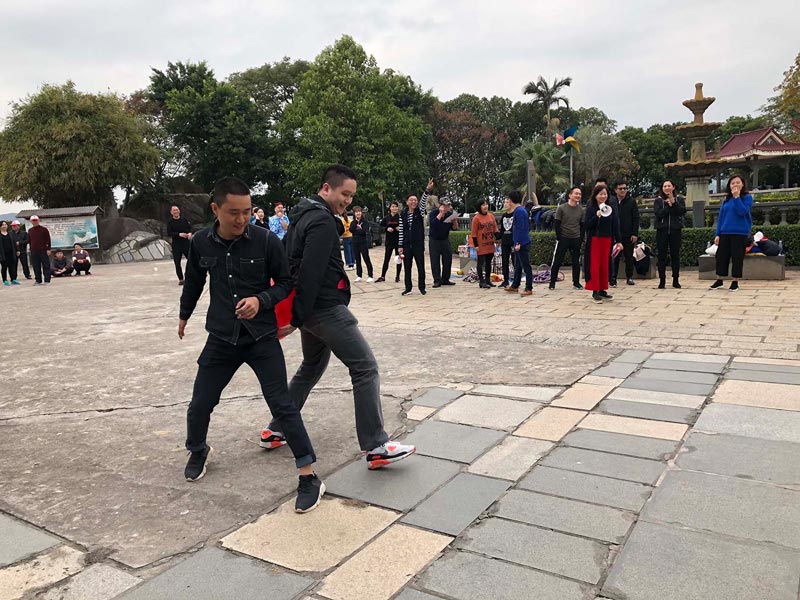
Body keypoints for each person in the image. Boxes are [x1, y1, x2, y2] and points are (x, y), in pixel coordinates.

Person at [178, 176, 324, 513]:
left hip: (261, 338)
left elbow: (285, 282)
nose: (242, 219)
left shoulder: (266, 240)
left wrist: (261, 300)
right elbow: (195, 281)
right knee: (200, 403)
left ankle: (309, 476)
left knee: (283, 405)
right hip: (221, 337)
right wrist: (184, 315)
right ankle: (198, 449)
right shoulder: (200, 242)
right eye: (234, 212)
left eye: (246, 211)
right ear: (216, 209)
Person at [263, 165, 415, 470]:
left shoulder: (301, 216)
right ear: (326, 188)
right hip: (324, 308)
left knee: (311, 366)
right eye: (344, 193)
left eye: (351, 196)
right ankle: (376, 445)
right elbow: (311, 272)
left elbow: (288, 262)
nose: (347, 200)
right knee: (365, 367)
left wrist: (298, 314)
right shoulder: (321, 221)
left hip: (310, 308)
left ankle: (277, 428)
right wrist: (296, 317)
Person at [710, 174, 753, 291]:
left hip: (740, 233)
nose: (735, 185)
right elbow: (721, 217)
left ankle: (735, 282)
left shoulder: (747, 197)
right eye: (733, 183)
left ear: (742, 184)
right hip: (725, 232)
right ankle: (719, 280)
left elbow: (742, 212)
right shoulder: (726, 199)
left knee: (737, 258)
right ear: (729, 185)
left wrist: (737, 197)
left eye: (738, 182)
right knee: (721, 257)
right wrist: (718, 234)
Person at [584, 185, 623, 303]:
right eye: (600, 194)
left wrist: (619, 241)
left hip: (607, 239)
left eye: (605, 194)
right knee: (595, 265)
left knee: (605, 264)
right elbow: (587, 225)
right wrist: (596, 216)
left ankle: (602, 289)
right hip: (595, 239)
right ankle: (595, 290)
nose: (603, 196)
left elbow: (616, 225)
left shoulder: (610, 208)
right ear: (595, 195)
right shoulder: (591, 208)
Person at [399, 179, 434, 296]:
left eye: (415, 200)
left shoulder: (419, 211)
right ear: (407, 202)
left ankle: (422, 287)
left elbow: (423, 201)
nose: (414, 202)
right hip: (406, 244)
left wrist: (427, 189)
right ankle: (408, 288)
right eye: (411, 200)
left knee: (420, 266)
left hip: (418, 244)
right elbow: (401, 231)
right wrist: (400, 245)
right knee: (407, 267)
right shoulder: (403, 214)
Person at [549, 186, 585, 290]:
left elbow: (582, 225)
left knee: (576, 262)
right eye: (576, 193)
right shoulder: (561, 208)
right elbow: (557, 223)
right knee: (557, 261)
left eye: (579, 194)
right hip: (564, 238)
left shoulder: (581, 210)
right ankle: (552, 282)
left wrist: (581, 238)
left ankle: (576, 282)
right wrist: (559, 237)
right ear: (570, 195)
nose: (578, 195)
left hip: (576, 238)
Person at [653, 180, 686, 289]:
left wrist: (673, 203)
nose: (667, 188)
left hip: (675, 230)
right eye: (665, 186)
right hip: (662, 231)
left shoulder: (679, 199)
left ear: (673, 187)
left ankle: (675, 280)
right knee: (661, 256)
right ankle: (662, 280)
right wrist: (668, 206)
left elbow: (681, 211)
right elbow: (658, 214)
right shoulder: (658, 201)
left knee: (675, 255)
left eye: (669, 186)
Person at [504, 191, 533, 296]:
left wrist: (518, 242)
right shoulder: (520, 210)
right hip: (520, 241)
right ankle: (515, 285)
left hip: (522, 243)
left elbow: (521, 228)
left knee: (526, 266)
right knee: (518, 265)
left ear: (511, 200)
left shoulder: (519, 211)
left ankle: (529, 287)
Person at [611, 181, 640, 286]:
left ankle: (629, 277)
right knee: (615, 257)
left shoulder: (631, 201)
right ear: (615, 190)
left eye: (625, 188)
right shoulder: (611, 201)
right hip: (615, 234)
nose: (623, 190)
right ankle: (613, 278)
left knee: (629, 256)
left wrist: (634, 233)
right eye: (620, 188)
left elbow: (636, 218)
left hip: (628, 234)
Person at [429, 198, 458, 287]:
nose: (447, 207)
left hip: (445, 239)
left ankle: (445, 279)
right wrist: (441, 214)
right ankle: (437, 280)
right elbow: (433, 224)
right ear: (440, 205)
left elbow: (455, 228)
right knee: (435, 261)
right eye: (445, 206)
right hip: (434, 240)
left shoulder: (449, 214)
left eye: (448, 206)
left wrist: (454, 221)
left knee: (447, 259)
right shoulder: (433, 213)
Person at [471, 200, 499, 288]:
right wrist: (476, 245)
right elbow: (474, 233)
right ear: (479, 207)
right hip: (481, 244)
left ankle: (488, 280)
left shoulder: (491, 216)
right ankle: (481, 281)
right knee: (481, 262)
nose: (485, 206)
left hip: (490, 243)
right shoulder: (476, 218)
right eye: (483, 205)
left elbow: (495, 229)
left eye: (486, 204)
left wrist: (499, 238)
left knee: (489, 262)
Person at [166, 205, 192, 286]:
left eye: (177, 210)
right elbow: (169, 233)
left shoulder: (184, 220)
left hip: (186, 243)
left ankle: (188, 276)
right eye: (174, 210)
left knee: (191, 261)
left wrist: (190, 233)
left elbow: (189, 229)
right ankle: (181, 279)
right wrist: (179, 234)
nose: (176, 211)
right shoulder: (170, 222)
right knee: (177, 262)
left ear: (179, 211)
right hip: (176, 244)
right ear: (171, 212)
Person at [377, 201, 402, 283]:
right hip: (389, 241)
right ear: (390, 208)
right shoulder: (386, 218)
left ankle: (397, 276)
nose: (394, 208)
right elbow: (380, 227)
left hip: (398, 241)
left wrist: (400, 228)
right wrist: (386, 228)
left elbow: (405, 227)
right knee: (386, 259)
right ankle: (383, 276)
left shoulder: (400, 218)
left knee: (398, 259)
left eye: (396, 206)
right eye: (393, 206)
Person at [349, 205, 374, 282]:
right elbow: (351, 230)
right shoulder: (353, 222)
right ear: (354, 213)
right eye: (356, 212)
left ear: (361, 212)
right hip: (355, 242)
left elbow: (364, 231)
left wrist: (357, 230)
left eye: (359, 211)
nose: (358, 213)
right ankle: (359, 275)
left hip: (363, 242)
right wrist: (356, 223)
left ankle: (370, 275)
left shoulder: (365, 222)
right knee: (357, 259)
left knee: (366, 258)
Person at [27, 216, 52, 285]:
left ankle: (47, 280)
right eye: (33, 220)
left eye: (36, 220)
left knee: (46, 265)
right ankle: (38, 280)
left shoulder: (44, 229)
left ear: (38, 220)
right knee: (36, 266)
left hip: (43, 250)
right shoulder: (30, 230)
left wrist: (48, 249)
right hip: (34, 251)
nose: (35, 222)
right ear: (31, 221)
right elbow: (29, 240)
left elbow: (48, 240)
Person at [498, 197, 515, 288]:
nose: (505, 204)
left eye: (507, 202)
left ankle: (516, 280)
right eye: (505, 202)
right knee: (504, 261)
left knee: (515, 261)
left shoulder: (515, 214)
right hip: (505, 241)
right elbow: (502, 229)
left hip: (513, 241)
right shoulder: (504, 215)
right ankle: (505, 280)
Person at [0, 221, 20, 286]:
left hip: (11, 253)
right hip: (3, 254)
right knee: (4, 267)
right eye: (3, 225)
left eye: (5, 224)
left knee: (12, 267)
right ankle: (5, 280)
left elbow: (14, 243)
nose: (4, 226)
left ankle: (13, 279)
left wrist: (17, 250)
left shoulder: (10, 234)